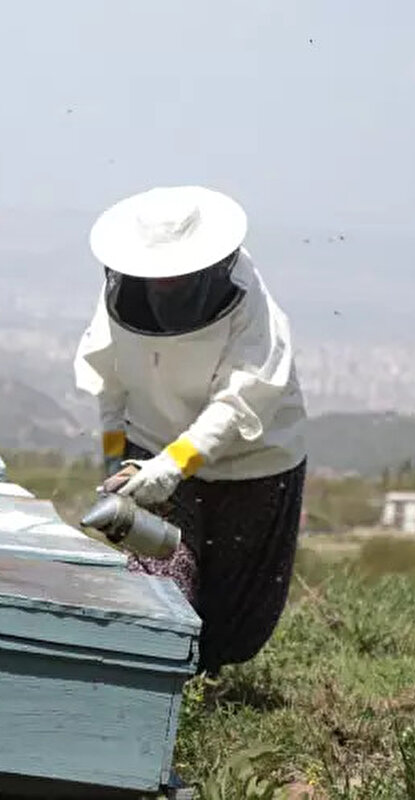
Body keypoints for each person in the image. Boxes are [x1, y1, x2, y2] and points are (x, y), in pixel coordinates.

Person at [73, 185, 308, 678]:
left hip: (253, 460)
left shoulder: (250, 306)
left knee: (233, 608)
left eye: (177, 280)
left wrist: (177, 464)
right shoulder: (120, 290)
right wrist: (116, 458)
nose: (164, 288)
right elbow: (108, 383)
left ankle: (205, 685)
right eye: (157, 279)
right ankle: (151, 687)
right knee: (161, 581)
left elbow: (239, 403)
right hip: (153, 445)